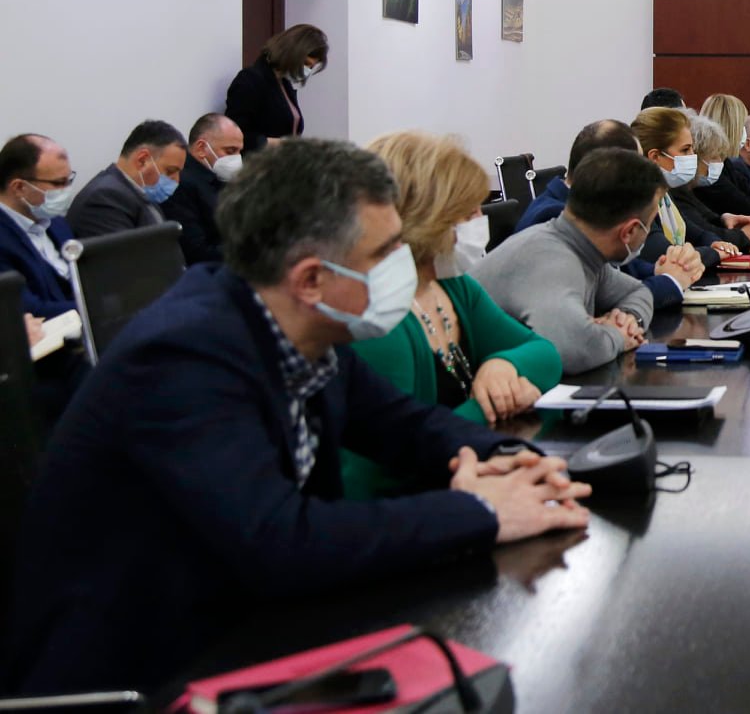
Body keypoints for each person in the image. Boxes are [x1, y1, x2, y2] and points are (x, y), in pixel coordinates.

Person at [1, 138, 591, 694]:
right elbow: (281, 541)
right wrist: (481, 511)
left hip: (248, 628)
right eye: (386, 253)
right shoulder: (184, 358)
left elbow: (409, 426)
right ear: (311, 280)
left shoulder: (304, 330)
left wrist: (512, 462)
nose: (405, 265)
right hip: (144, 670)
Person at [343, 132, 565, 499]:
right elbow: (399, 457)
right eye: (468, 213)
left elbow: (546, 355)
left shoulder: (453, 286)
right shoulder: (380, 320)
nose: (481, 220)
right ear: (424, 219)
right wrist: (495, 404)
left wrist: (503, 366)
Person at [471, 149, 658, 374]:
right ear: (629, 231)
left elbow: (638, 292)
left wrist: (629, 319)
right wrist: (618, 336)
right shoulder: (552, 260)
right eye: (650, 223)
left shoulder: (583, 250)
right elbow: (571, 351)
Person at [516, 119, 704, 311]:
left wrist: (662, 269)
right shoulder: (554, 219)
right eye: (638, 165)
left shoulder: (586, 205)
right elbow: (605, 300)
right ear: (610, 170)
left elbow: (618, 272)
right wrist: (671, 281)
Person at [631, 107, 749, 268]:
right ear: (655, 156)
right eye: (685, 150)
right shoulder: (637, 199)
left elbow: (696, 233)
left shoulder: (665, 194)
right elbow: (667, 255)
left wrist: (715, 243)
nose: (693, 156)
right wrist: (714, 253)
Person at [0, 134, 78, 317]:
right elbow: (31, 311)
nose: (67, 190)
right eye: (59, 183)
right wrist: (103, 308)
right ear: (19, 187)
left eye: (69, 180)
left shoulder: (56, 222)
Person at [67, 119, 185, 238]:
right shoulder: (106, 197)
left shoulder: (142, 194)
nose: (177, 180)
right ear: (142, 160)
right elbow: (126, 250)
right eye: (170, 171)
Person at [225, 23, 327, 152]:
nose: (307, 70)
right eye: (306, 63)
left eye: (311, 67)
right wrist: (281, 144)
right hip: (259, 162)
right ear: (292, 53)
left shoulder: (284, 83)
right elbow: (236, 135)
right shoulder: (251, 80)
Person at [166, 113, 244, 265]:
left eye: (239, 151)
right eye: (230, 151)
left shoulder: (218, 176)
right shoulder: (180, 184)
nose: (237, 158)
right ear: (201, 148)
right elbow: (196, 252)